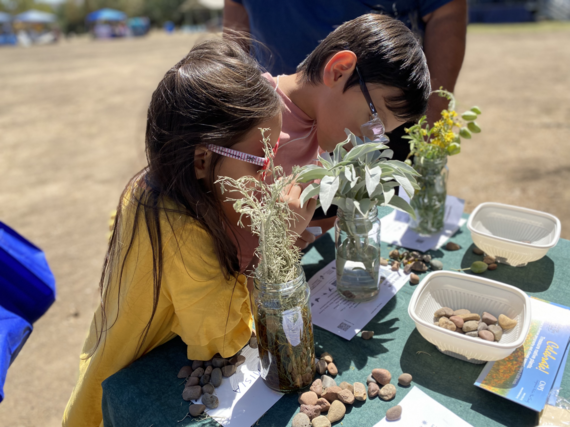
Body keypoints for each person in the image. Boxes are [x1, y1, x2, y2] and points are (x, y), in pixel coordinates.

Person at [62, 38, 316, 427]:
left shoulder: (152, 186)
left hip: (111, 345)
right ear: (201, 160)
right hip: (114, 399)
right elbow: (222, 337)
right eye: (260, 164)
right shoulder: (183, 231)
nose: (271, 176)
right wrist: (277, 239)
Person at [227, 14, 432, 263]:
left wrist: (294, 234)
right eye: (372, 119)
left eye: (380, 134)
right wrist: (275, 239)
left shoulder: (321, 130)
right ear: (338, 71)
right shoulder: (245, 116)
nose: (367, 140)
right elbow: (209, 234)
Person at [224, 0, 466, 126]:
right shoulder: (259, 137)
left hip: (385, 108)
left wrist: (433, 111)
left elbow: (445, 11)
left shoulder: (378, 128)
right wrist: (235, 99)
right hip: (272, 113)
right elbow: (236, 11)